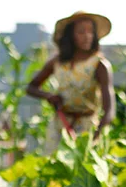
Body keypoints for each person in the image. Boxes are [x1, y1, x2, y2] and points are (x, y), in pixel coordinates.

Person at [26, 11, 116, 151]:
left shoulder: (99, 65)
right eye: (81, 32)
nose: (87, 36)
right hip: (60, 124)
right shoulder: (57, 62)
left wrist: (96, 135)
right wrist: (49, 96)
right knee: (53, 166)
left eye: (91, 32)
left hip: (87, 127)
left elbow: (109, 110)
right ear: (70, 36)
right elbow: (31, 87)